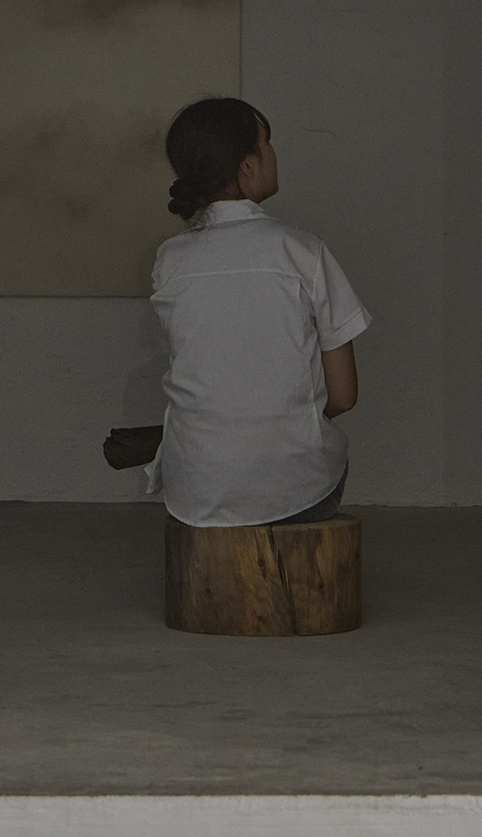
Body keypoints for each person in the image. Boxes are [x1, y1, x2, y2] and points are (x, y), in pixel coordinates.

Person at [144, 96, 371, 527]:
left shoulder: (169, 260)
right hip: (297, 491)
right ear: (247, 166)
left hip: (195, 492)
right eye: (267, 143)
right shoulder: (302, 251)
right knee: (321, 464)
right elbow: (343, 396)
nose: (273, 154)